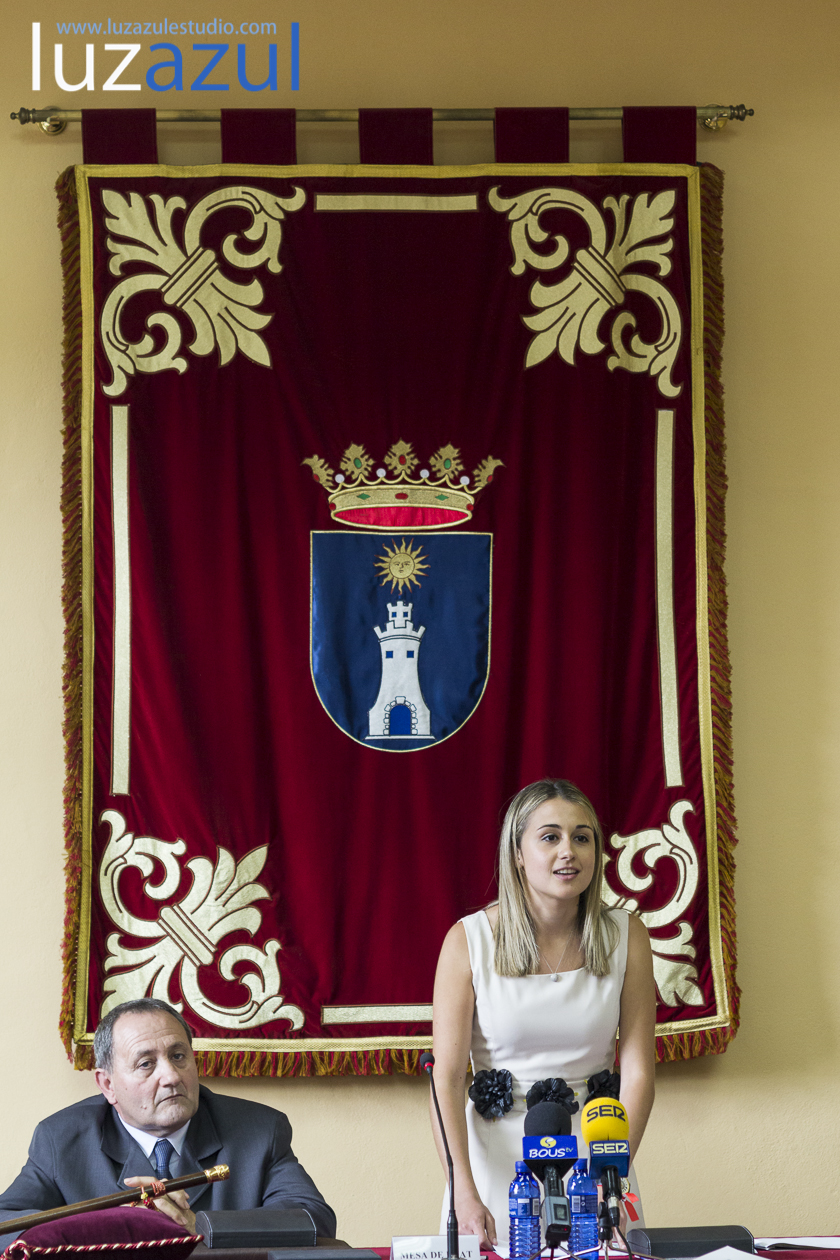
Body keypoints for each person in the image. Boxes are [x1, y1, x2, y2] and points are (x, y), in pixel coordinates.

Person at [430, 779, 655, 1254]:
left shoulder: (627, 935)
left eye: (582, 837)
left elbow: (638, 1073)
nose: (568, 851)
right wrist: (463, 1191)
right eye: (550, 837)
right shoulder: (467, 940)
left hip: (598, 1162)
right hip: (496, 1168)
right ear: (517, 853)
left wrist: (610, 1181)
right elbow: (445, 1080)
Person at [0, 998, 336, 1248]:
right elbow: (5, 1226)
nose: (171, 1076)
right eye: (146, 1064)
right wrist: (111, 1226)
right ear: (108, 1085)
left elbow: (312, 1219)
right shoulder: (61, 1139)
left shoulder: (260, 1129)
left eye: (178, 1056)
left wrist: (198, 1226)